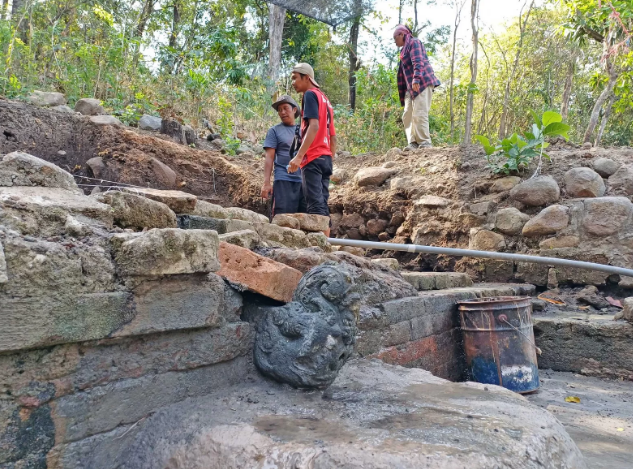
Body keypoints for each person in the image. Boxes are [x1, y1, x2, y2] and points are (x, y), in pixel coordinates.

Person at [287, 63, 336, 235]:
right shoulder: (325, 99)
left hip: (313, 157)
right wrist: (330, 157)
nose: (293, 82)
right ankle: (328, 243)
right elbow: (332, 134)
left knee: (315, 205)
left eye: (295, 78)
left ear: (306, 78)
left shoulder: (309, 95)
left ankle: (323, 247)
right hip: (326, 157)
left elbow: (313, 127)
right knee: (322, 202)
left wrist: (299, 156)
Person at [393, 24, 440, 150]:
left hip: (422, 82)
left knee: (420, 112)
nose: (394, 41)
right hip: (411, 87)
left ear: (401, 34)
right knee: (407, 114)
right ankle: (413, 142)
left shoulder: (414, 42)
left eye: (395, 38)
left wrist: (416, 78)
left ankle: (425, 143)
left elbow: (418, 61)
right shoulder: (403, 50)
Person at [261, 95, 306, 217]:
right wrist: (266, 183)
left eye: (285, 108)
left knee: (304, 221)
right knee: (282, 219)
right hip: (283, 181)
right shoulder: (274, 131)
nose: (282, 112)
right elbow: (269, 157)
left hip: (304, 182)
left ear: (294, 110)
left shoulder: (305, 131)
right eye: (279, 110)